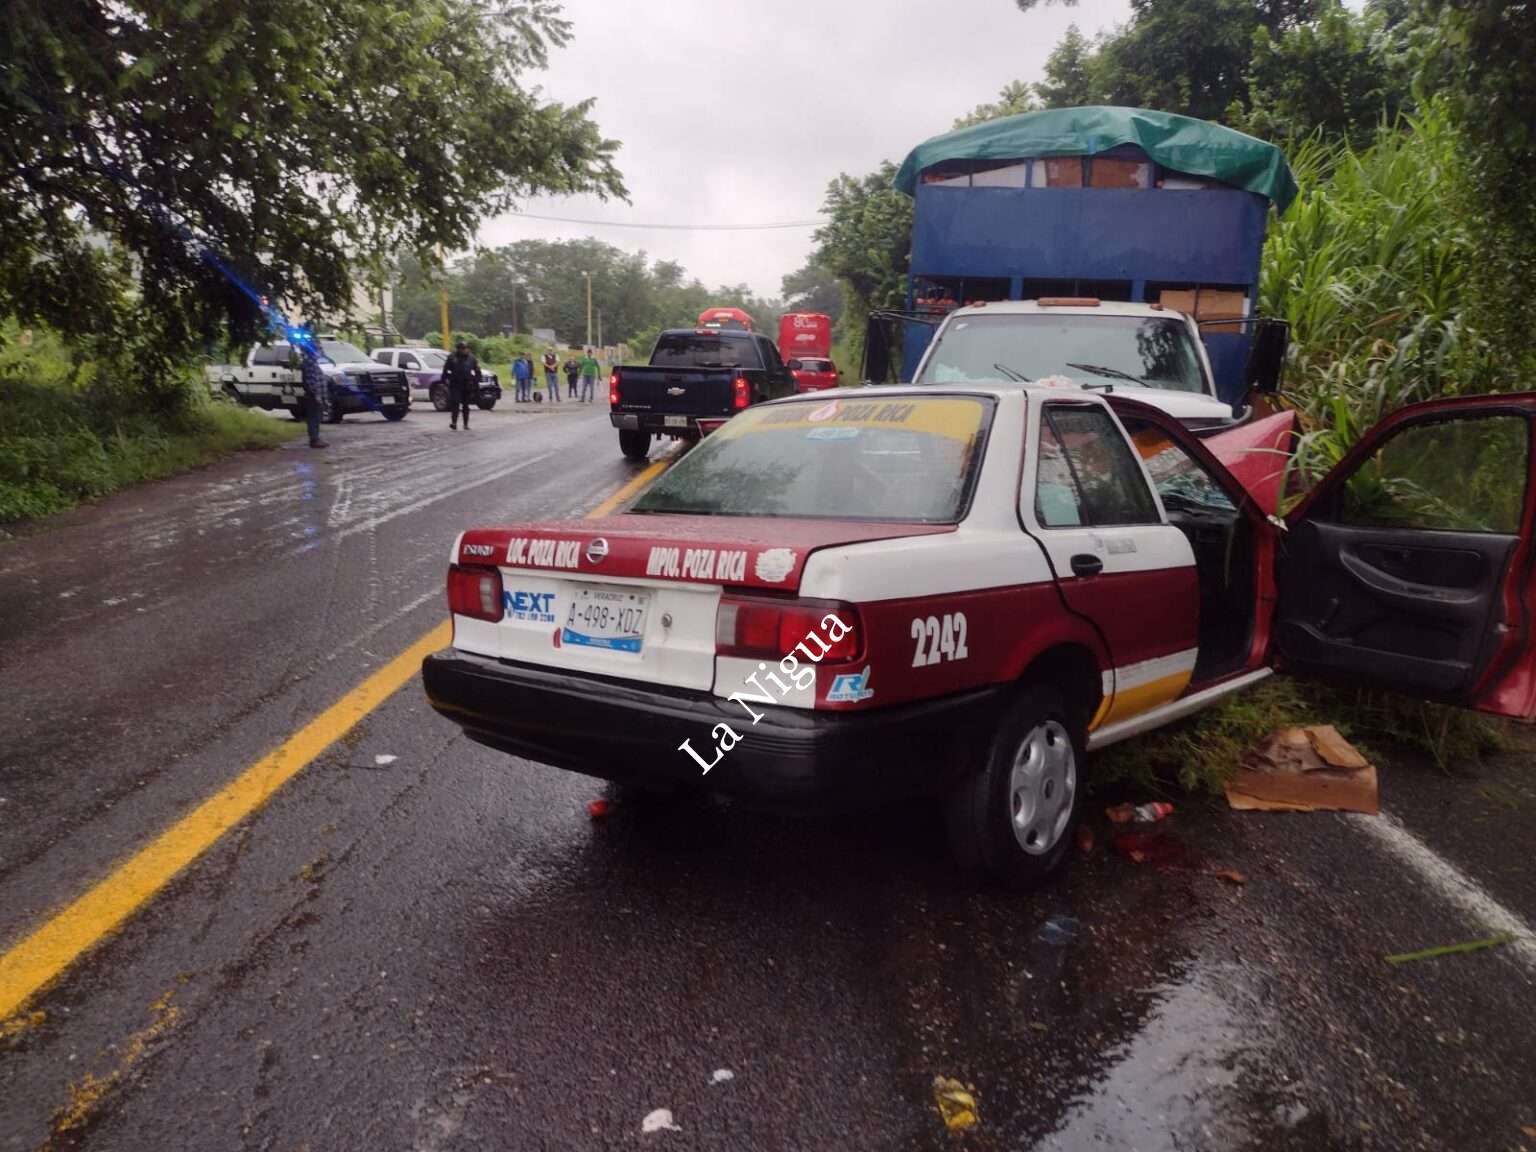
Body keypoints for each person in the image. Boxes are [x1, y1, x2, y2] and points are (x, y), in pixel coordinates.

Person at [441, 341, 481, 430]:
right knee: (455, 403)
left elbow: (477, 370)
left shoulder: (471, 358)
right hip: (455, 384)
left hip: (467, 384)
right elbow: (446, 370)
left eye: (466, 348)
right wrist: (446, 380)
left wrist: (476, 381)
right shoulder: (452, 357)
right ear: (458, 349)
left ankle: (465, 424)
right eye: (463, 349)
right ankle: (454, 423)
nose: (465, 350)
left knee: (466, 405)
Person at [295, 342, 328, 449]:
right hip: (313, 395)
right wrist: (316, 396)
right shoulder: (310, 363)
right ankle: (314, 439)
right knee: (314, 417)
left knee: (317, 417)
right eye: (319, 350)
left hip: (316, 395)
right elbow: (312, 382)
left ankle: (316, 438)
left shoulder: (313, 362)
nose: (321, 352)